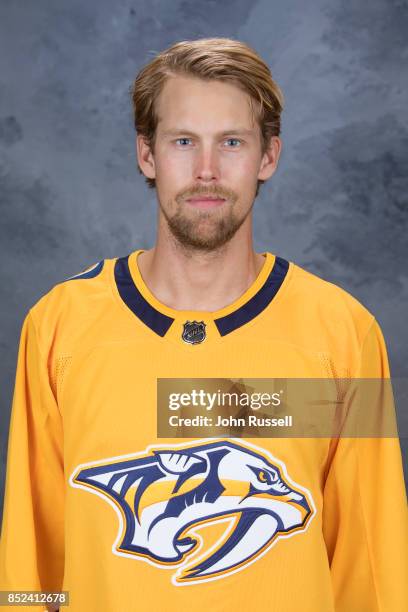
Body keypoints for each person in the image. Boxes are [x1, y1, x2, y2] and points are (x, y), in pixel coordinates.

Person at [0, 37, 407, 612]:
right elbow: (29, 567)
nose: (207, 170)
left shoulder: (343, 333)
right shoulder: (60, 326)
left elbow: (374, 566)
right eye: (184, 141)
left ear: (268, 156)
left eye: (233, 142)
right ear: (148, 154)